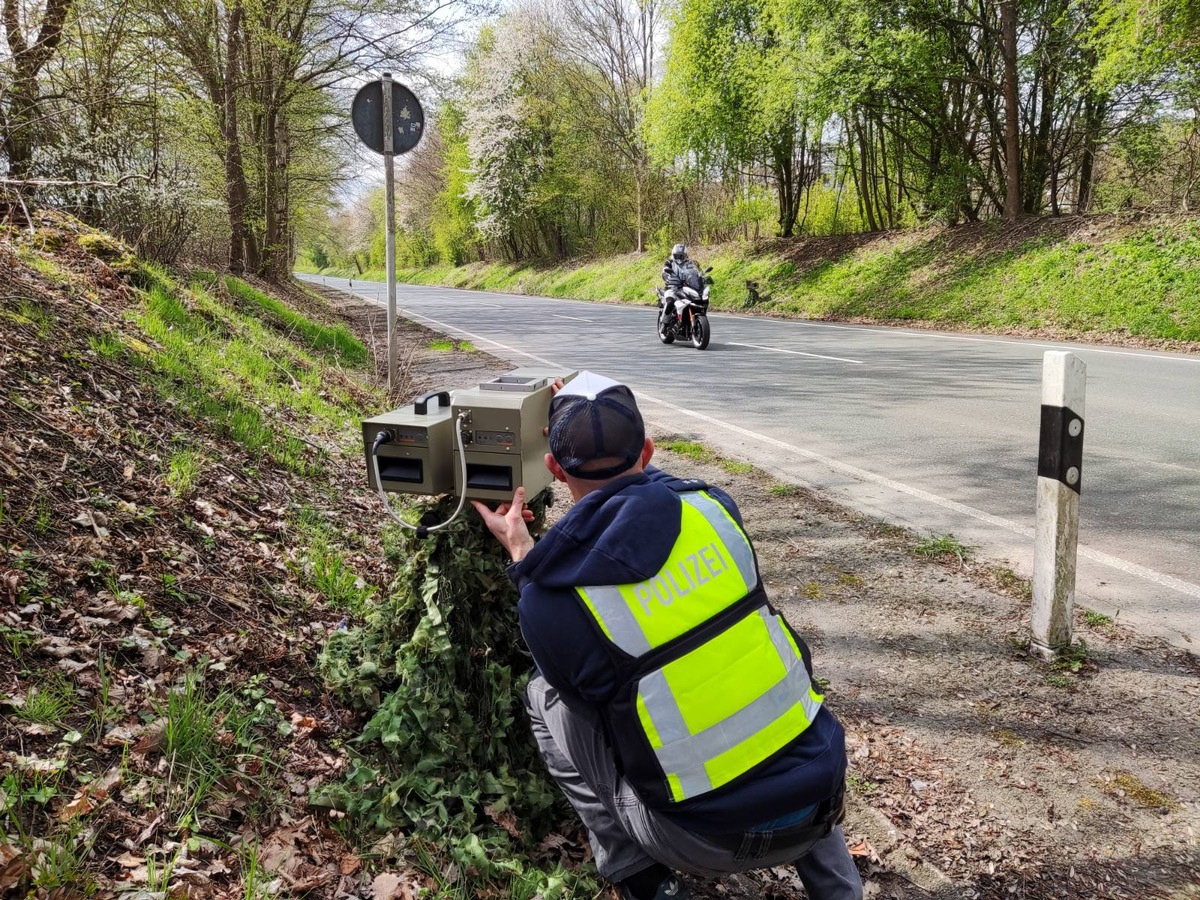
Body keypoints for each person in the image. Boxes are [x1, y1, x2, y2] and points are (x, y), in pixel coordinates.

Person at [472, 372, 863, 900]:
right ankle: (839, 890)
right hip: (823, 794)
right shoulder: (715, 509)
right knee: (769, 718)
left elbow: (599, 724)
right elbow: (650, 497)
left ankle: (641, 878)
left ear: (554, 470)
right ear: (650, 451)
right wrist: (593, 409)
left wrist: (523, 552)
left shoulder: (548, 603)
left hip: (702, 839)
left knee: (547, 699)